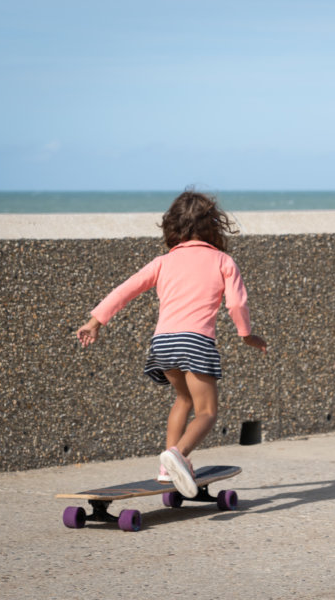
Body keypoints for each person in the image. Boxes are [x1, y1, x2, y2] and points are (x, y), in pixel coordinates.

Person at [76, 189, 267, 498]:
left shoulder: (163, 262)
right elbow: (236, 305)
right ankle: (179, 454)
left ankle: (167, 469)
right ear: (213, 226)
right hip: (196, 342)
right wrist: (246, 335)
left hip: (162, 344)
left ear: (173, 227)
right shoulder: (223, 261)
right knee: (207, 412)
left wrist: (95, 321)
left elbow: (125, 291)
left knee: (183, 400)